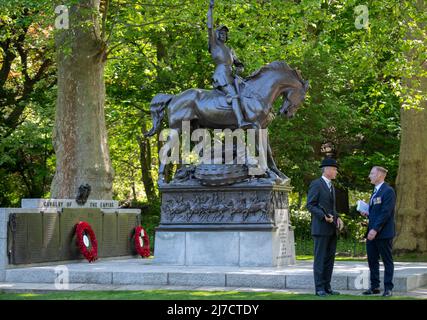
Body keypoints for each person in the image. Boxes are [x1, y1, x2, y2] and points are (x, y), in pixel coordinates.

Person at [207, 0, 252, 129]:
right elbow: (209, 27)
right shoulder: (214, 45)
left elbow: (238, 63)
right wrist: (210, 9)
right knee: (233, 95)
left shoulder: (230, 50)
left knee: (246, 93)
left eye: (225, 34)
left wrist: (240, 68)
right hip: (221, 75)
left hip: (231, 75)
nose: (223, 35)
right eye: (221, 33)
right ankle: (240, 122)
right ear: (217, 35)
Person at [306, 158, 344, 296]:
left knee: (329, 260)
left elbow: (331, 208)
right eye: (334, 169)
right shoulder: (316, 184)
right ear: (327, 170)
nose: (336, 172)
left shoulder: (331, 186)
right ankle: (319, 288)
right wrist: (323, 216)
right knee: (320, 259)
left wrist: (338, 217)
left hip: (332, 229)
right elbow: (310, 204)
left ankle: (327, 287)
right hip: (321, 229)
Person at [360, 166, 396, 297]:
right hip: (372, 232)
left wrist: (375, 229)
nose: (369, 176)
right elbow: (376, 212)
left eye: (372, 173)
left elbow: (386, 213)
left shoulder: (388, 191)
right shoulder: (375, 191)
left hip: (383, 233)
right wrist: (367, 213)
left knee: (387, 260)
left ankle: (388, 288)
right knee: (372, 260)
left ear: (380, 175)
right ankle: (375, 287)